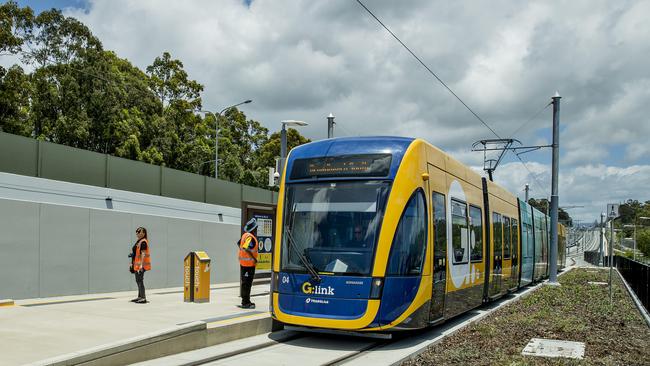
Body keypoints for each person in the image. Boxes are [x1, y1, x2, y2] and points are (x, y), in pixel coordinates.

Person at [236, 218, 258, 309]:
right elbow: (246, 247)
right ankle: (245, 303)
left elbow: (239, 243)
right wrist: (253, 258)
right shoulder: (250, 237)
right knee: (247, 284)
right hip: (248, 265)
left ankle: (246, 301)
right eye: (256, 228)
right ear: (253, 229)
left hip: (243, 263)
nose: (256, 229)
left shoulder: (245, 235)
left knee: (245, 283)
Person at [130, 227, 151, 304]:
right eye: (137, 232)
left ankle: (143, 298)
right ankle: (140, 296)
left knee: (140, 281)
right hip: (136, 264)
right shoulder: (139, 241)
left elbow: (143, 254)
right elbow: (136, 253)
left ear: (144, 233)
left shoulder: (143, 242)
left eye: (139, 232)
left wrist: (141, 265)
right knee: (138, 280)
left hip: (141, 265)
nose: (137, 233)